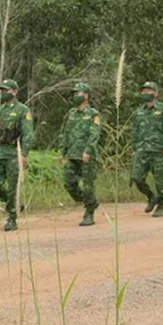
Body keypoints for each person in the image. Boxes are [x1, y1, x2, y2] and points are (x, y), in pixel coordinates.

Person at [0, 80, 34, 232]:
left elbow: (28, 134)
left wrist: (24, 154)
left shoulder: (23, 110)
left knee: (12, 187)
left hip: (14, 153)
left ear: (15, 91)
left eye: (7, 90)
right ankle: (13, 203)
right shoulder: (0, 110)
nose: (3, 93)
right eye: (2, 90)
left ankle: (12, 219)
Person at [58, 82, 100, 227]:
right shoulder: (71, 114)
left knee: (88, 185)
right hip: (72, 154)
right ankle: (91, 202)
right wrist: (61, 151)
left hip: (86, 155)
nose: (76, 96)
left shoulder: (93, 114)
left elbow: (94, 134)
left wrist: (88, 151)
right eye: (74, 94)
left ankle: (89, 213)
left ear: (86, 96)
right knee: (68, 183)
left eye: (79, 93)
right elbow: (64, 133)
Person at [131, 81, 163, 218]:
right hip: (142, 150)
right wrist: (134, 147)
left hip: (158, 151)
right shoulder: (139, 111)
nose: (145, 93)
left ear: (156, 93)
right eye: (143, 91)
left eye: (149, 91)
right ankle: (151, 197)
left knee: (160, 180)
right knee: (136, 177)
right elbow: (135, 131)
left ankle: (160, 205)